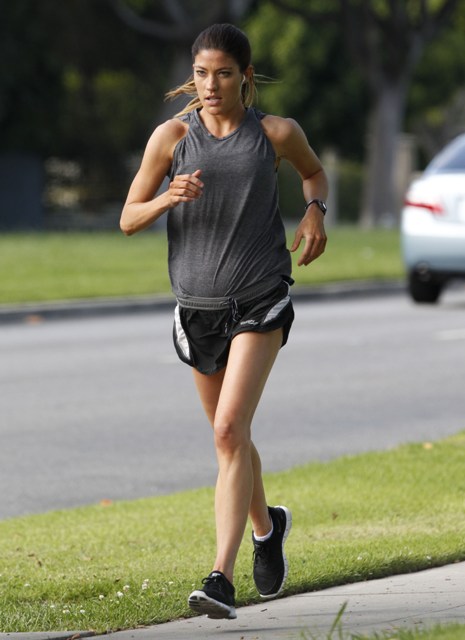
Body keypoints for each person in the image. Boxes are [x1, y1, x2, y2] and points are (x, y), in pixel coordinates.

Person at [120, 23, 328, 621]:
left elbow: (314, 173)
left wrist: (314, 211)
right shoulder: (172, 137)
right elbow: (128, 218)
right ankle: (268, 526)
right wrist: (168, 197)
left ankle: (220, 577)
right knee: (229, 436)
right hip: (197, 310)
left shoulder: (275, 133)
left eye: (224, 74)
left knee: (230, 430)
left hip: (260, 299)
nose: (211, 85)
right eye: (202, 74)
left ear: (246, 77)